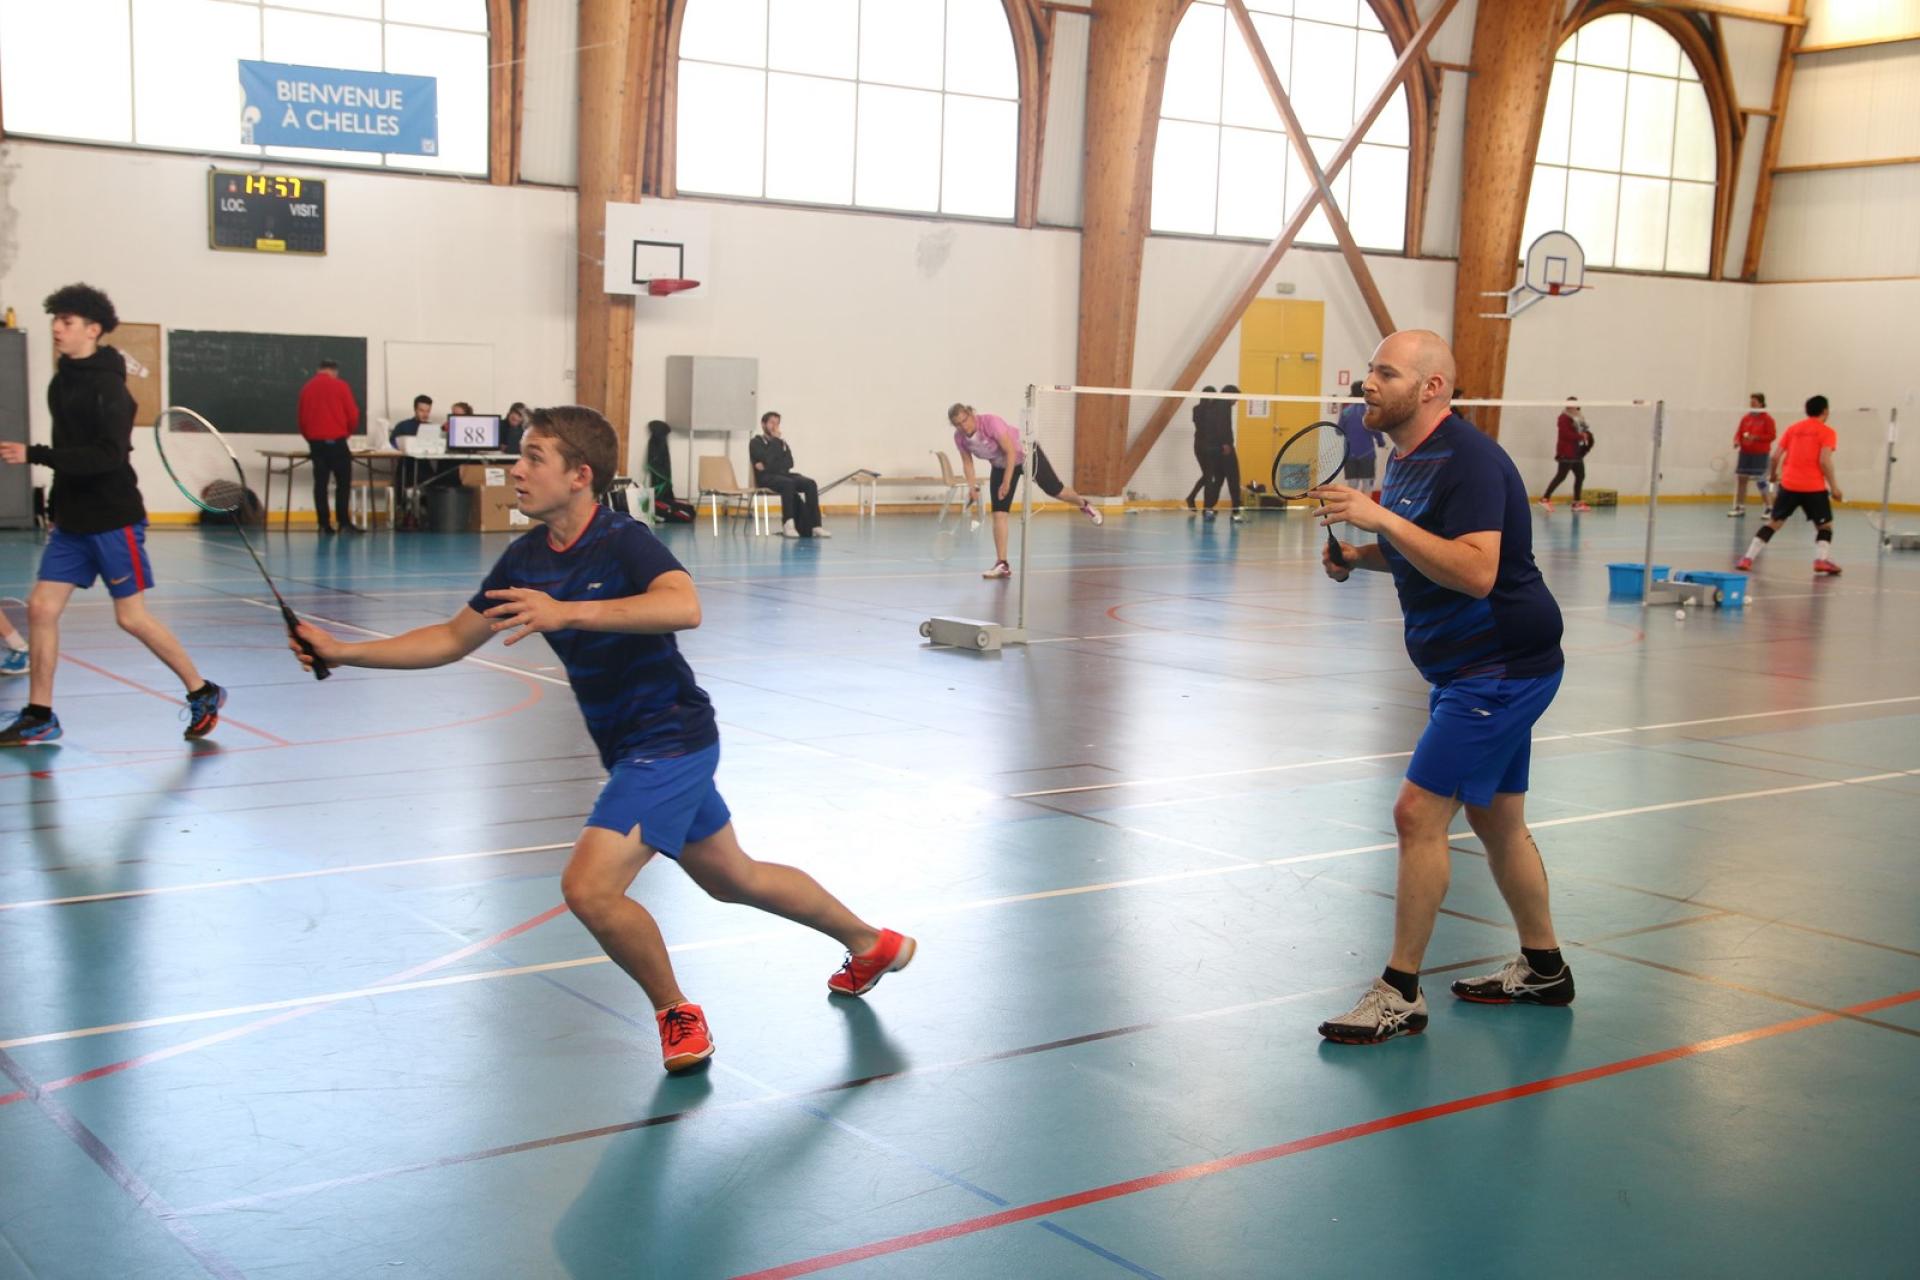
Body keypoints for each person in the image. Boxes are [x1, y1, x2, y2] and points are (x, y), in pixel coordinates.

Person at [286, 406, 913, 1072]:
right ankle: (871, 943)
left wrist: (567, 612)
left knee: (589, 888)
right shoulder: (526, 558)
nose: (516, 471)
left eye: (533, 458)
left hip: (669, 740)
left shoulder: (622, 541)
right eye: (519, 457)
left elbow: (683, 605)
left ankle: (677, 1012)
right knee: (735, 878)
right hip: (632, 748)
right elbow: (449, 638)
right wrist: (343, 651)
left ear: (579, 475)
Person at [1309, 329, 1571, 1045]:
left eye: (1386, 373)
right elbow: (1421, 549)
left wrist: (1378, 516)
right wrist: (1362, 554)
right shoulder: (1407, 458)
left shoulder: (1471, 460)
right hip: (1468, 666)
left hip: (1500, 665)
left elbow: (1477, 570)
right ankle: (1545, 968)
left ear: (1432, 388)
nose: (1368, 382)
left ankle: (1400, 993)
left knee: (1417, 813)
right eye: (1369, 370)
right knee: (1497, 820)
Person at [0, 283, 226, 745]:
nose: (56, 329)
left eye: (66, 322)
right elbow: (68, 450)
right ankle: (40, 714)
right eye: (55, 320)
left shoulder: (110, 389)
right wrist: (57, 507)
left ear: (93, 329)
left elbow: (107, 456)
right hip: (72, 523)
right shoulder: (61, 382)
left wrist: (34, 454)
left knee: (131, 618)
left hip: (112, 519)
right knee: (41, 608)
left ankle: (202, 690)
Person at [950, 402, 1102, 579]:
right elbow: (967, 463)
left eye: (965, 420)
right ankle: (1002, 564)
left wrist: (1006, 482)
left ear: (971, 414)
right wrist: (972, 487)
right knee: (999, 512)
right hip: (1000, 465)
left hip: (1026, 455)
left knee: (1056, 491)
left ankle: (1084, 504)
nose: (963, 426)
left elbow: (1010, 451)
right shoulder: (960, 438)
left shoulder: (990, 422)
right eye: (958, 424)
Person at [1739, 394, 1843, 576]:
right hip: (1814, 487)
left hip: (1789, 485)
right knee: (1825, 526)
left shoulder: (1793, 429)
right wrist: (1834, 487)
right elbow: (1824, 461)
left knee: (1774, 523)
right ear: (1825, 411)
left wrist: (1773, 475)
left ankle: (1747, 558)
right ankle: (1821, 560)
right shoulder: (1827, 432)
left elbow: (1775, 457)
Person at [297, 357, 361, 534]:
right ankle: (343, 523)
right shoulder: (341, 386)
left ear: (318, 370)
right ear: (334, 371)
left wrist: (311, 439)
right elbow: (353, 415)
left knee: (320, 484)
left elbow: (302, 420)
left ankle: (323, 524)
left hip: (316, 444)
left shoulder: (307, 388)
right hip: (337, 442)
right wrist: (346, 434)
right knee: (343, 483)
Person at [750, 411, 829, 539]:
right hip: (766, 478)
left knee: (810, 483)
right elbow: (768, 460)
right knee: (788, 484)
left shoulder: (782, 443)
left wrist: (769, 464)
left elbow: (789, 462)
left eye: (777, 423)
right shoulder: (756, 442)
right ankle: (788, 525)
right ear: (763, 424)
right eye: (771, 423)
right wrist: (775, 442)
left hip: (784, 475)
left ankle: (815, 525)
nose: (775, 427)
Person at [1198, 385, 1244, 523]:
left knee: (1217, 481)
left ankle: (1208, 510)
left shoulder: (1213, 405)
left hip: (1212, 449)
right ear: (1230, 395)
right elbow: (1222, 425)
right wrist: (1226, 443)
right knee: (1234, 480)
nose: (1236, 401)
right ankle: (1235, 513)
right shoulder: (1224, 405)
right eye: (1236, 398)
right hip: (1224, 448)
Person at [1539, 397, 1592, 512]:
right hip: (1566, 453)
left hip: (1576, 453)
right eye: (1570, 404)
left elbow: (1583, 430)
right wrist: (1580, 436)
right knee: (1561, 476)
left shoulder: (1579, 417)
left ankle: (1576, 503)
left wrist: (1586, 435)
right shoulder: (1563, 418)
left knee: (1580, 475)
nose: (1573, 406)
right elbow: (1565, 434)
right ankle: (1545, 499)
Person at [1730, 392, 1775, 517]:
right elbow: (1739, 433)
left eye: (1754, 402)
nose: (1751, 404)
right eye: (1751, 402)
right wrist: (1736, 441)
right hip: (1745, 453)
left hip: (1760, 454)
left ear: (1761, 403)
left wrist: (1756, 437)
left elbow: (1772, 436)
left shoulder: (1767, 419)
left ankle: (1769, 508)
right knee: (1742, 479)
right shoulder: (1746, 418)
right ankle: (1740, 507)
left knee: (1761, 480)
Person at [1336, 379, 1384, 497]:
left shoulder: (1346, 412)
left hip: (1349, 454)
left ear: (1352, 393)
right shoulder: (1369, 411)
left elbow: (1338, 431)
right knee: (1367, 485)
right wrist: (1381, 442)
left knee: (1352, 485)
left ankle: (1350, 508)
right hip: (1367, 454)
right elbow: (1376, 431)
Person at [1185, 387, 1216, 511]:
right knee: (1209, 475)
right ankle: (1207, 507)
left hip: (1200, 445)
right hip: (1204, 445)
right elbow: (1205, 426)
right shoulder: (1204, 410)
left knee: (1208, 475)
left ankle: (1194, 498)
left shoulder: (1197, 409)